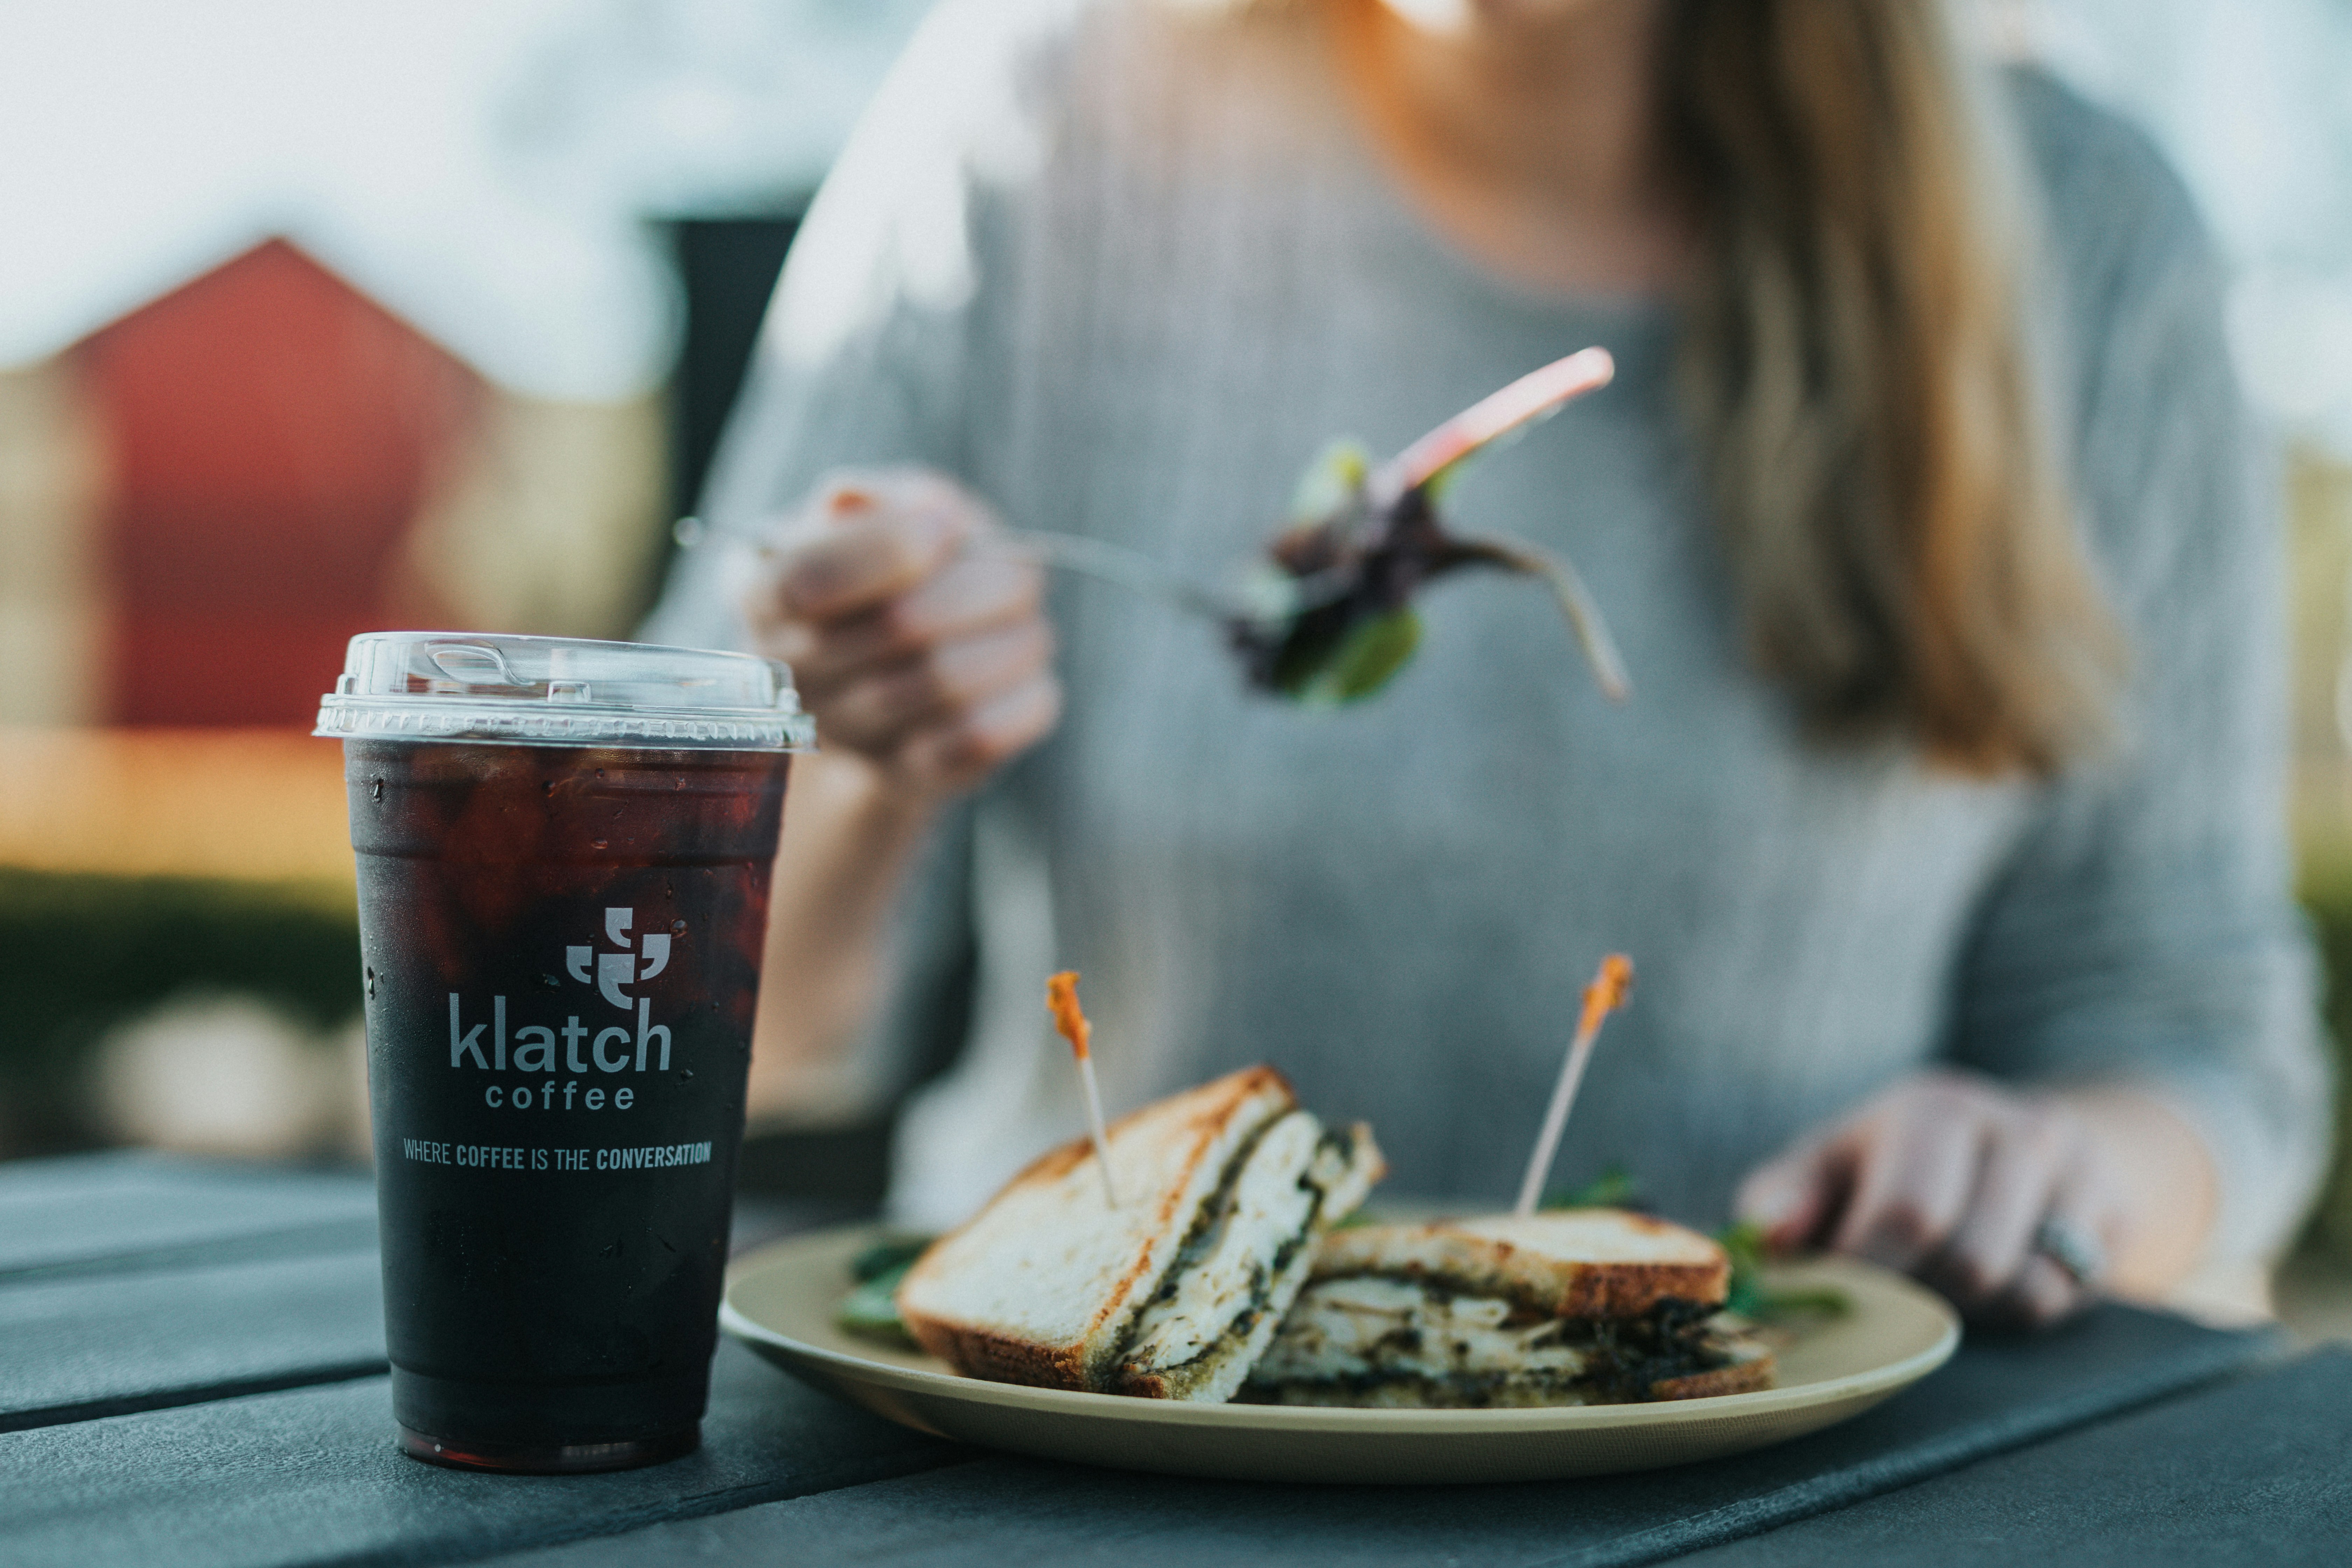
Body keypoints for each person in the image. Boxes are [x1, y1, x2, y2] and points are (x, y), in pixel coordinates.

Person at [644, 0, 2332, 1326]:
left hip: (1781, 1487)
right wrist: (855, 761)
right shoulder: (1043, 109)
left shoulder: (2089, 247)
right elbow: (700, 1027)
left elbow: (2196, 1045)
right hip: (1069, 1461)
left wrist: (2048, 1175)